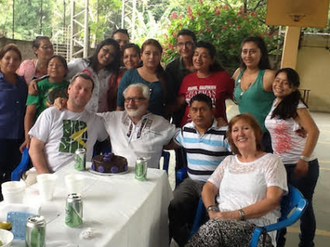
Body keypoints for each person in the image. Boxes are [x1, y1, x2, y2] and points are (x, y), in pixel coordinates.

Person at [186, 113, 288, 247]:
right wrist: (212, 210)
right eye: (235, 130)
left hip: (256, 230)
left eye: (245, 128)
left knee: (213, 230)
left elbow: (272, 202)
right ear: (231, 138)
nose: (240, 133)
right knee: (212, 229)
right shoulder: (229, 161)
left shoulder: (271, 161)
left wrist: (234, 215)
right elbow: (209, 188)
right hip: (219, 223)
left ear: (256, 133)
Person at [265, 68, 319, 247]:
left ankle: (306, 244)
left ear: (294, 87)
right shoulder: (277, 102)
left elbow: (313, 131)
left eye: (285, 82)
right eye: (277, 80)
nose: (279, 84)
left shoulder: (297, 106)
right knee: (279, 206)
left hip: (300, 165)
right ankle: (279, 241)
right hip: (281, 165)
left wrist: (304, 158)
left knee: (304, 207)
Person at [167, 93, 231, 246]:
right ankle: (186, 242)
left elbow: (239, 156)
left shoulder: (224, 133)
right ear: (189, 112)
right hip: (192, 181)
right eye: (194, 109)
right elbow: (170, 144)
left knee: (212, 216)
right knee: (175, 204)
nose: (198, 114)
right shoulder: (186, 131)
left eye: (203, 109)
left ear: (212, 111)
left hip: (216, 185)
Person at [26, 73, 108, 185]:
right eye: (78, 87)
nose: (82, 92)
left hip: (79, 178)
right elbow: (34, 148)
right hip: (46, 173)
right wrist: (46, 178)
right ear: (69, 89)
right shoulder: (51, 114)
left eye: (87, 90)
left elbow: (108, 138)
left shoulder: (96, 120)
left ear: (90, 95)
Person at [100, 83, 176, 168]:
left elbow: (181, 137)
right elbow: (90, 118)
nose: (130, 103)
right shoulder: (113, 118)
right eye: (127, 99)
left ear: (146, 100)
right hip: (118, 175)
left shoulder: (160, 123)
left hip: (146, 177)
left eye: (136, 99)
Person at [232, 36, 275, 152]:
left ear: (262, 53)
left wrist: (299, 124)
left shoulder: (268, 76)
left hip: (265, 136)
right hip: (245, 135)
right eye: (244, 51)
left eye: (253, 51)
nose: (248, 56)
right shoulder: (238, 73)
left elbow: (291, 99)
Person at [177, 41, 234, 127]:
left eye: (203, 56)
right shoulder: (187, 79)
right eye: (196, 54)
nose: (198, 59)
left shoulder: (223, 77)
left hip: (215, 129)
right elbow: (179, 102)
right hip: (190, 129)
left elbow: (235, 98)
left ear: (212, 60)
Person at [21, 55, 69, 151]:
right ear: (47, 69)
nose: (54, 67)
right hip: (41, 132)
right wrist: (27, 137)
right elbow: (29, 114)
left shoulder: (70, 87)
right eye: (51, 65)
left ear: (65, 70)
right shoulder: (38, 86)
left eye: (59, 65)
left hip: (61, 131)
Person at [165, 29, 197, 176]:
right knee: (181, 157)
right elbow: (169, 97)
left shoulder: (204, 63)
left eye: (188, 43)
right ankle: (180, 193)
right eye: (180, 44)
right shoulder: (171, 68)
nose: (184, 48)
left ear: (195, 45)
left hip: (203, 116)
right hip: (180, 118)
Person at [117, 39, 175, 117]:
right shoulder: (130, 75)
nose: (152, 57)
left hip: (157, 124)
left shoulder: (166, 77)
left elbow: (170, 106)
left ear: (160, 56)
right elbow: (120, 106)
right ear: (141, 55)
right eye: (148, 53)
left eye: (156, 54)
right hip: (131, 123)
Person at [0, 44, 27, 201]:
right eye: (7, 58)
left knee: (13, 173)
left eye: (16, 59)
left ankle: (8, 205)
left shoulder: (22, 82)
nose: (12, 61)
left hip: (18, 137)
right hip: (1, 134)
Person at [66, 38, 120, 113]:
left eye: (112, 55)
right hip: (78, 115)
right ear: (99, 48)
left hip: (100, 117)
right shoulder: (79, 64)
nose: (107, 56)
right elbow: (58, 78)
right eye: (105, 50)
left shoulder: (111, 74)